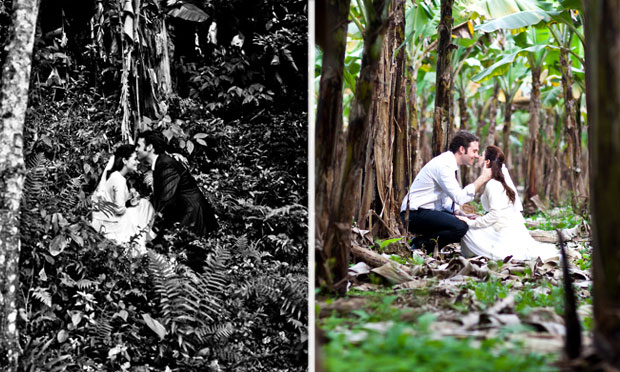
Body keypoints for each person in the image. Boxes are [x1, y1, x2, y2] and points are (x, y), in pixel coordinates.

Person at [457, 145, 558, 261]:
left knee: (466, 231)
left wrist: (471, 223)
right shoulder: (499, 182)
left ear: (487, 162)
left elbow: (495, 214)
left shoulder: (493, 184)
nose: (478, 157)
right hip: (503, 226)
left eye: (481, 155)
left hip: (501, 232)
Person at [400, 130, 492, 252]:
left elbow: (446, 200)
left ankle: (423, 243)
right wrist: (483, 178)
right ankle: (420, 245)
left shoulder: (449, 163)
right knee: (460, 227)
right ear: (462, 149)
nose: (476, 156)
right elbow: (459, 197)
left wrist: (459, 213)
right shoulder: (444, 165)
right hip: (413, 214)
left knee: (464, 221)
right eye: (474, 151)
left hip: (426, 211)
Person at [135, 130, 218, 236]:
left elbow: (165, 201)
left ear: (150, 147)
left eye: (138, 146)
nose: (136, 149)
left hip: (194, 218)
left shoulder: (165, 165)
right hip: (187, 216)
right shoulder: (161, 163)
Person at [91, 144, 156, 256]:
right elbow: (119, 209)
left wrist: (130, 202)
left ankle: (143, 241)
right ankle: (141, 243)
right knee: (144, 206)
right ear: (125, 160)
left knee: (143, 204)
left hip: (107, 218)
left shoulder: (114, 176)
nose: (137, 162)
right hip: (113, 223)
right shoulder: (119, 180)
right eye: (135, 159)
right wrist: (130, 207)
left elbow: (114, 202)